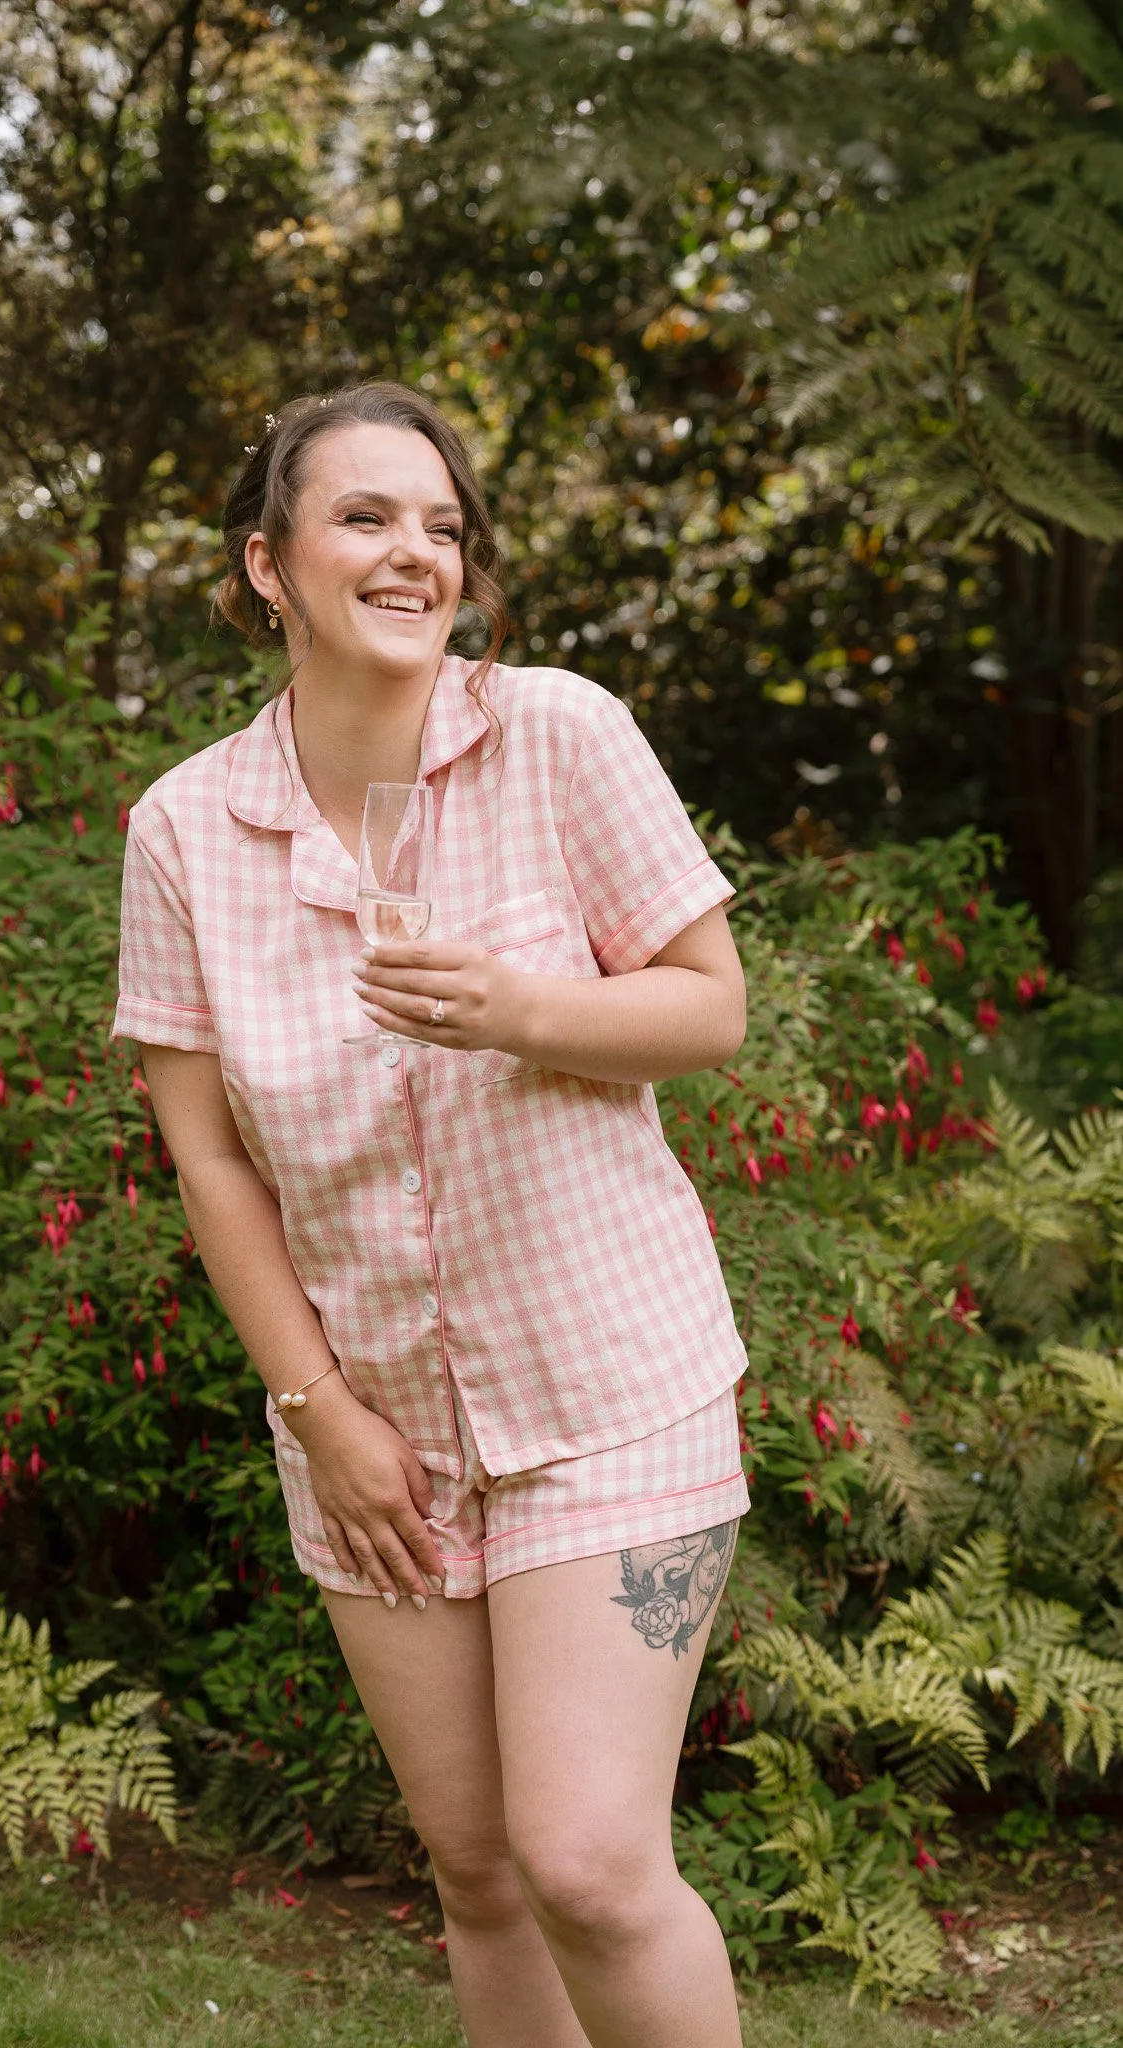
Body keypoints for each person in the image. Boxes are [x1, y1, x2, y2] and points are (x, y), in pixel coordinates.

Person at [112, 381, 752, 2048]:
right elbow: (209, 1156)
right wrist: (321, 1414)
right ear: (268, 564)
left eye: (444, 524)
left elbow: (708, 1007)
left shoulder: (556, 731)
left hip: (607, 1379)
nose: (416, 553)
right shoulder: (184, 827)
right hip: (371, 1424)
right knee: (478, 1872)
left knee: (592, 1863)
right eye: (366, 517)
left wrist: (520, 1007)